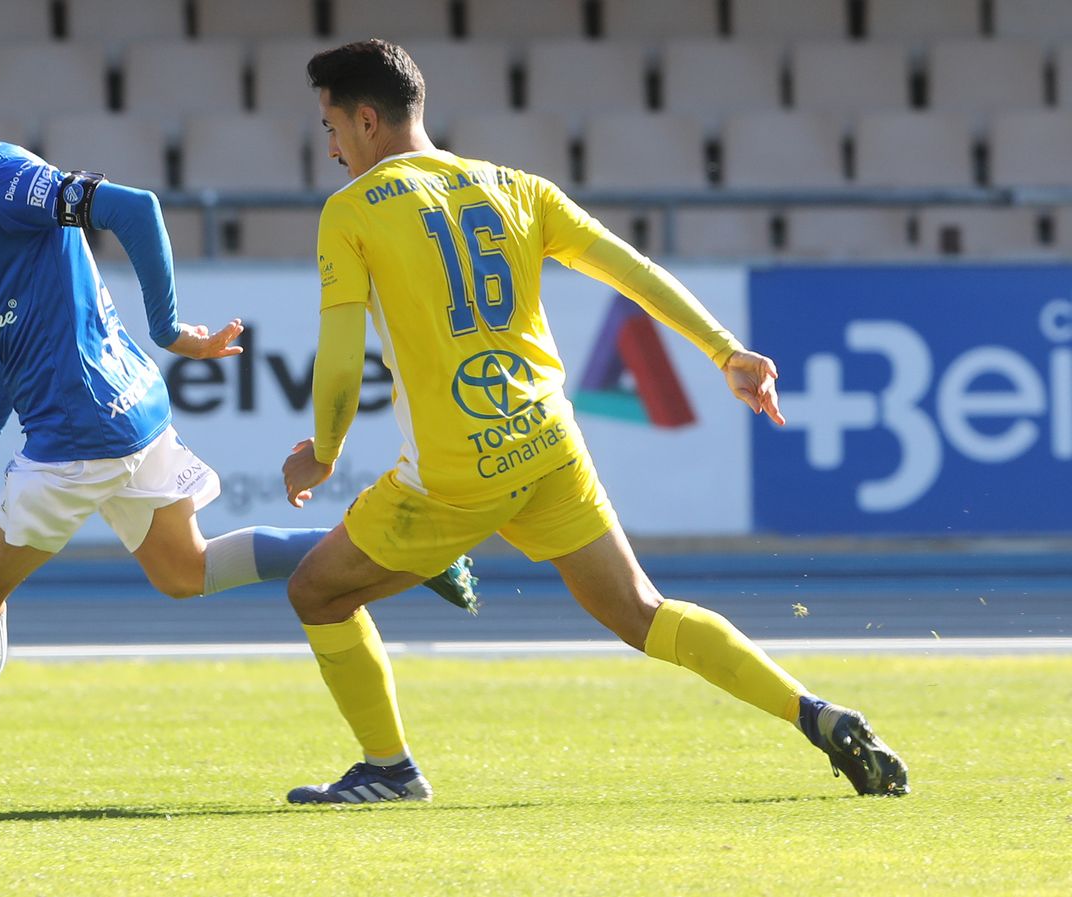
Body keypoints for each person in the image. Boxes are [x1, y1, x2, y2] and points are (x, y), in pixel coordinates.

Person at [0, 41, 478, 797]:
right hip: (121, 412)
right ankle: (404, 549)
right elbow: (22, 332)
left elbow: (135, 208)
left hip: (81, 433)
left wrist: (169, 328)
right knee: (185, 570)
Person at [278, 39, 909, 804]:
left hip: (456, 472)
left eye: (331, 128)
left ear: (367, 119)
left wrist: (323, 449)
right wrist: (726, 351)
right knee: (642, 612)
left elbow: (342, 364)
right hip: (549, 447)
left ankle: (389, 769)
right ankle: (814, 712)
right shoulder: (516, 186)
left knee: (317, 590)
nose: (334, 148)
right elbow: (630, 270)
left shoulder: (349, 213)